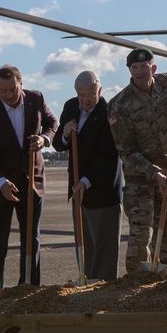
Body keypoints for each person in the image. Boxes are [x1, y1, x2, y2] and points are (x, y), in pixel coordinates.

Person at [108, 47, 167, 275]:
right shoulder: (119, 104)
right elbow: (126, 150)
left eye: (144, 66)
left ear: (153, 68)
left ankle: (163, 273)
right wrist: (154, 173)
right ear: (129, 70)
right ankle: (136, 278)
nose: (139, 71)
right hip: (141, 176)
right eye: (134, 67)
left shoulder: (166, 84)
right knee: (141, 233)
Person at [0, 64, 58, 291]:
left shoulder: (36, 98)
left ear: (21, 83)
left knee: (31, 240)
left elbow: (52, 123)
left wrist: (44, 139)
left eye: (13, 89)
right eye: (3, 91)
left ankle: (29, 290)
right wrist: (0, 182)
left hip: (32, 181)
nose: (9, 95)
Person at [52, 70, 123, 281]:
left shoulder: (109, 112)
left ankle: (102, 287)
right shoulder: (70, 107)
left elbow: (107, 156)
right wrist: (65, 134)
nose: (86, 99)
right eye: (81, 94)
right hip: (78, 190)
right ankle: (87, 281)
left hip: (102, 189)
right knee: (84, 243)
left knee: (104, 243)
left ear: (99, 90)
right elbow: (58, 145)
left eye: (91, 94)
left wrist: (85, 181)